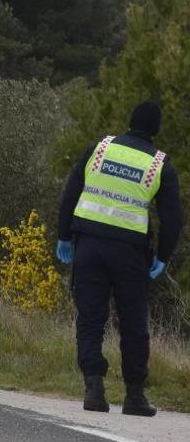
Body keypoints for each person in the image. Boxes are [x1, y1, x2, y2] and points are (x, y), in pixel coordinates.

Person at [56, 100, 181, 417]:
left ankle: (94, 389)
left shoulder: (99, 149)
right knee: (133, 323)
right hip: (130, 254)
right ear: (156, 129)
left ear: (130, 121)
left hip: (89, 246)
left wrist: (63, 235)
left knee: (90, 319)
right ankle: (134, 396)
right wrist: (163, 256)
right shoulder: (159, 165)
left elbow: (71, 193)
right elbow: (172, 219)